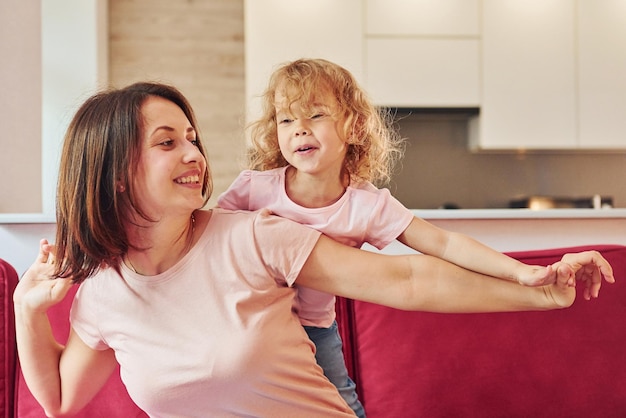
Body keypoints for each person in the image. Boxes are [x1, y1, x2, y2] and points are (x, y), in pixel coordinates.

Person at [14, 81, 614, 418]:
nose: (194, 155)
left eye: (192, 138)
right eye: (167, 142)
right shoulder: (102, 292)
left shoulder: (253, 233)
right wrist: (26, 309)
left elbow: (408, 281)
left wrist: (540, 289)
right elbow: (60, 400)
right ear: (113, 172)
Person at [216, 58, 612, 416]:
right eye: (285, 120)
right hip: (253, 328)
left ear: (353, 126)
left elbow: (444, 243)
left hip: (316, 332)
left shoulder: (366, 205)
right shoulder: (255, 189)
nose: (298, 127)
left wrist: (524, 274)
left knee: (345, 407)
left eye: (315, 114)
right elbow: (207, 247)